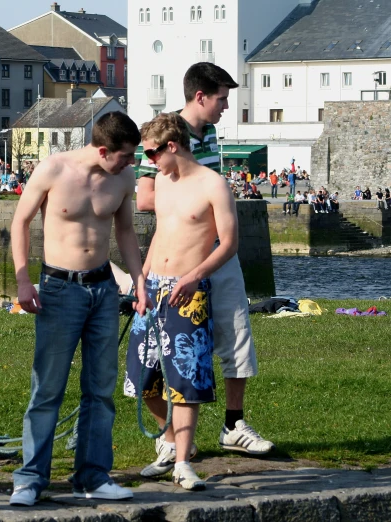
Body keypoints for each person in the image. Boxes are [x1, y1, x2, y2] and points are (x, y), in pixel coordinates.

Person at [134, 62, 274, 481]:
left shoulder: (209, 135)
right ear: (200, 97)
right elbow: (146, 199)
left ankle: (233, 425)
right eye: (221, 99)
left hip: (218, 256)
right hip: (180, 254)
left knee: (235, 332)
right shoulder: (163, 139)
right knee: (157, 360)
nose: (226, 107)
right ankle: (174, 436)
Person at [9, 112, 147, 507]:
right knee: (47, 387)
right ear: (102, 150)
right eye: (123, 156)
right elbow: (20, 222)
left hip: (103, 289)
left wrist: (137, 280)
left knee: (100, 389)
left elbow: (125, 231)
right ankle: (31, 479)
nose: (129, 163)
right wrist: (23, 282)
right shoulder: (53, 169)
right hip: (58, 288)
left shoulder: (122, 178)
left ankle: (92, 476)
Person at [126, 112, 238, 490]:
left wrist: (194, 277)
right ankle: (169, 440)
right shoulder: (162, 180)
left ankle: (184, 462)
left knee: (185, 380)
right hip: (154, 285)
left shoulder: (214, 185)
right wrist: (140, 281)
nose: (149, 160)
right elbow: (160, 233)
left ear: (172, 146)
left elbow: (230, 243)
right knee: (142, 379)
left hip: (190, 290)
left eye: (153, 153)